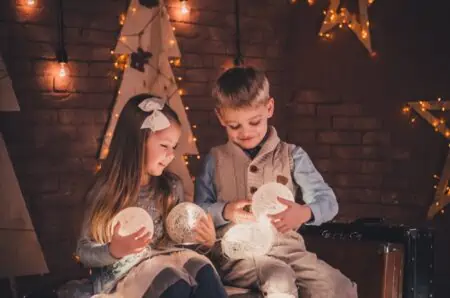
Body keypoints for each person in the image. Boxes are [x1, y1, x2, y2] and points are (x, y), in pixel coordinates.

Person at [194, 67, 358, 298]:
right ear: (221, 116)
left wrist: (304, 212)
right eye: (234, 126)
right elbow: (198, 212)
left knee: (338, 286)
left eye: (254, 122)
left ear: (269, 108)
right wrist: (226, 211)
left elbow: (328, 201)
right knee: (279, 278)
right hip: (238, 253)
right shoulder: (214, 159)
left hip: (289, 250)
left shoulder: (292, 156)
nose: (245, 133)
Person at [76, 94, 228, 298]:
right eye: (164, 146)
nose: (171, 155)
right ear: (137, 142)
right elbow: (84, 251)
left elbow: (179, 240)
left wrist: (204, 241)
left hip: (167, 261)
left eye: (173, 147)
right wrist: (113, 250)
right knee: (170, 281)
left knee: (202, 269)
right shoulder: (105, 191)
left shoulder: (171, 187)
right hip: (125, 276)